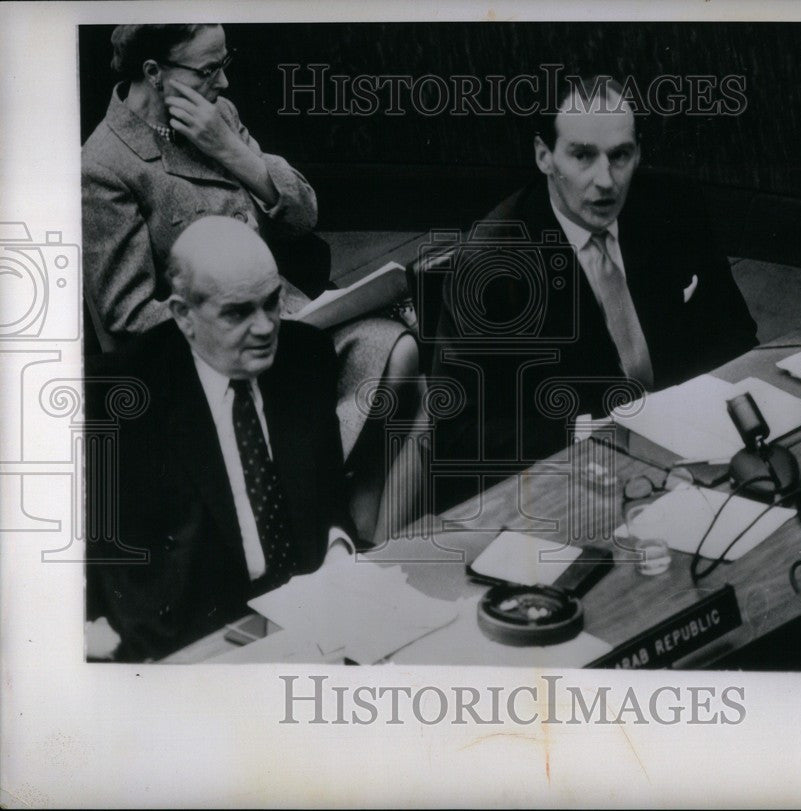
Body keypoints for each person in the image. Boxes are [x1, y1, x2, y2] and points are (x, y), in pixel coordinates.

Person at [81, 23, 422, 542]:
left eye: (224, 62)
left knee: (399, 354)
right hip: (215, 356)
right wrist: (226, 323)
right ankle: (338, 520)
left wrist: (234, 152)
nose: (223, 81)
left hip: (290, 322)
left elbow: (303, 214)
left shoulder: (217, 119)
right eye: (207, 69)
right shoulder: (105, 167)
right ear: (153, 73)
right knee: (386, 393)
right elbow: (125, 320)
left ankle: (362, 523)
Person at [430, 75, 758, 510]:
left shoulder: (674, 205)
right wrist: (597, 435)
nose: (606, 180)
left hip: (694, 451)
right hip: (570, 478)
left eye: (620, 156)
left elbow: (737, 335)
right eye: (582, 155)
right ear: (544, 156)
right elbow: (461, 435)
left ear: (638, 152)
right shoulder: (491, 263)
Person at [85, 217, 358, 662]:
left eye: (272, 303)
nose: (267, 327)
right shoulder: (121, 402)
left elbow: (328, 498)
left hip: (313, 618)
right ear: (183, 315)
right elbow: (124, 575)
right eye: (238, 312)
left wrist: (339, 557)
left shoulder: (305, 358)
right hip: (199, 643)